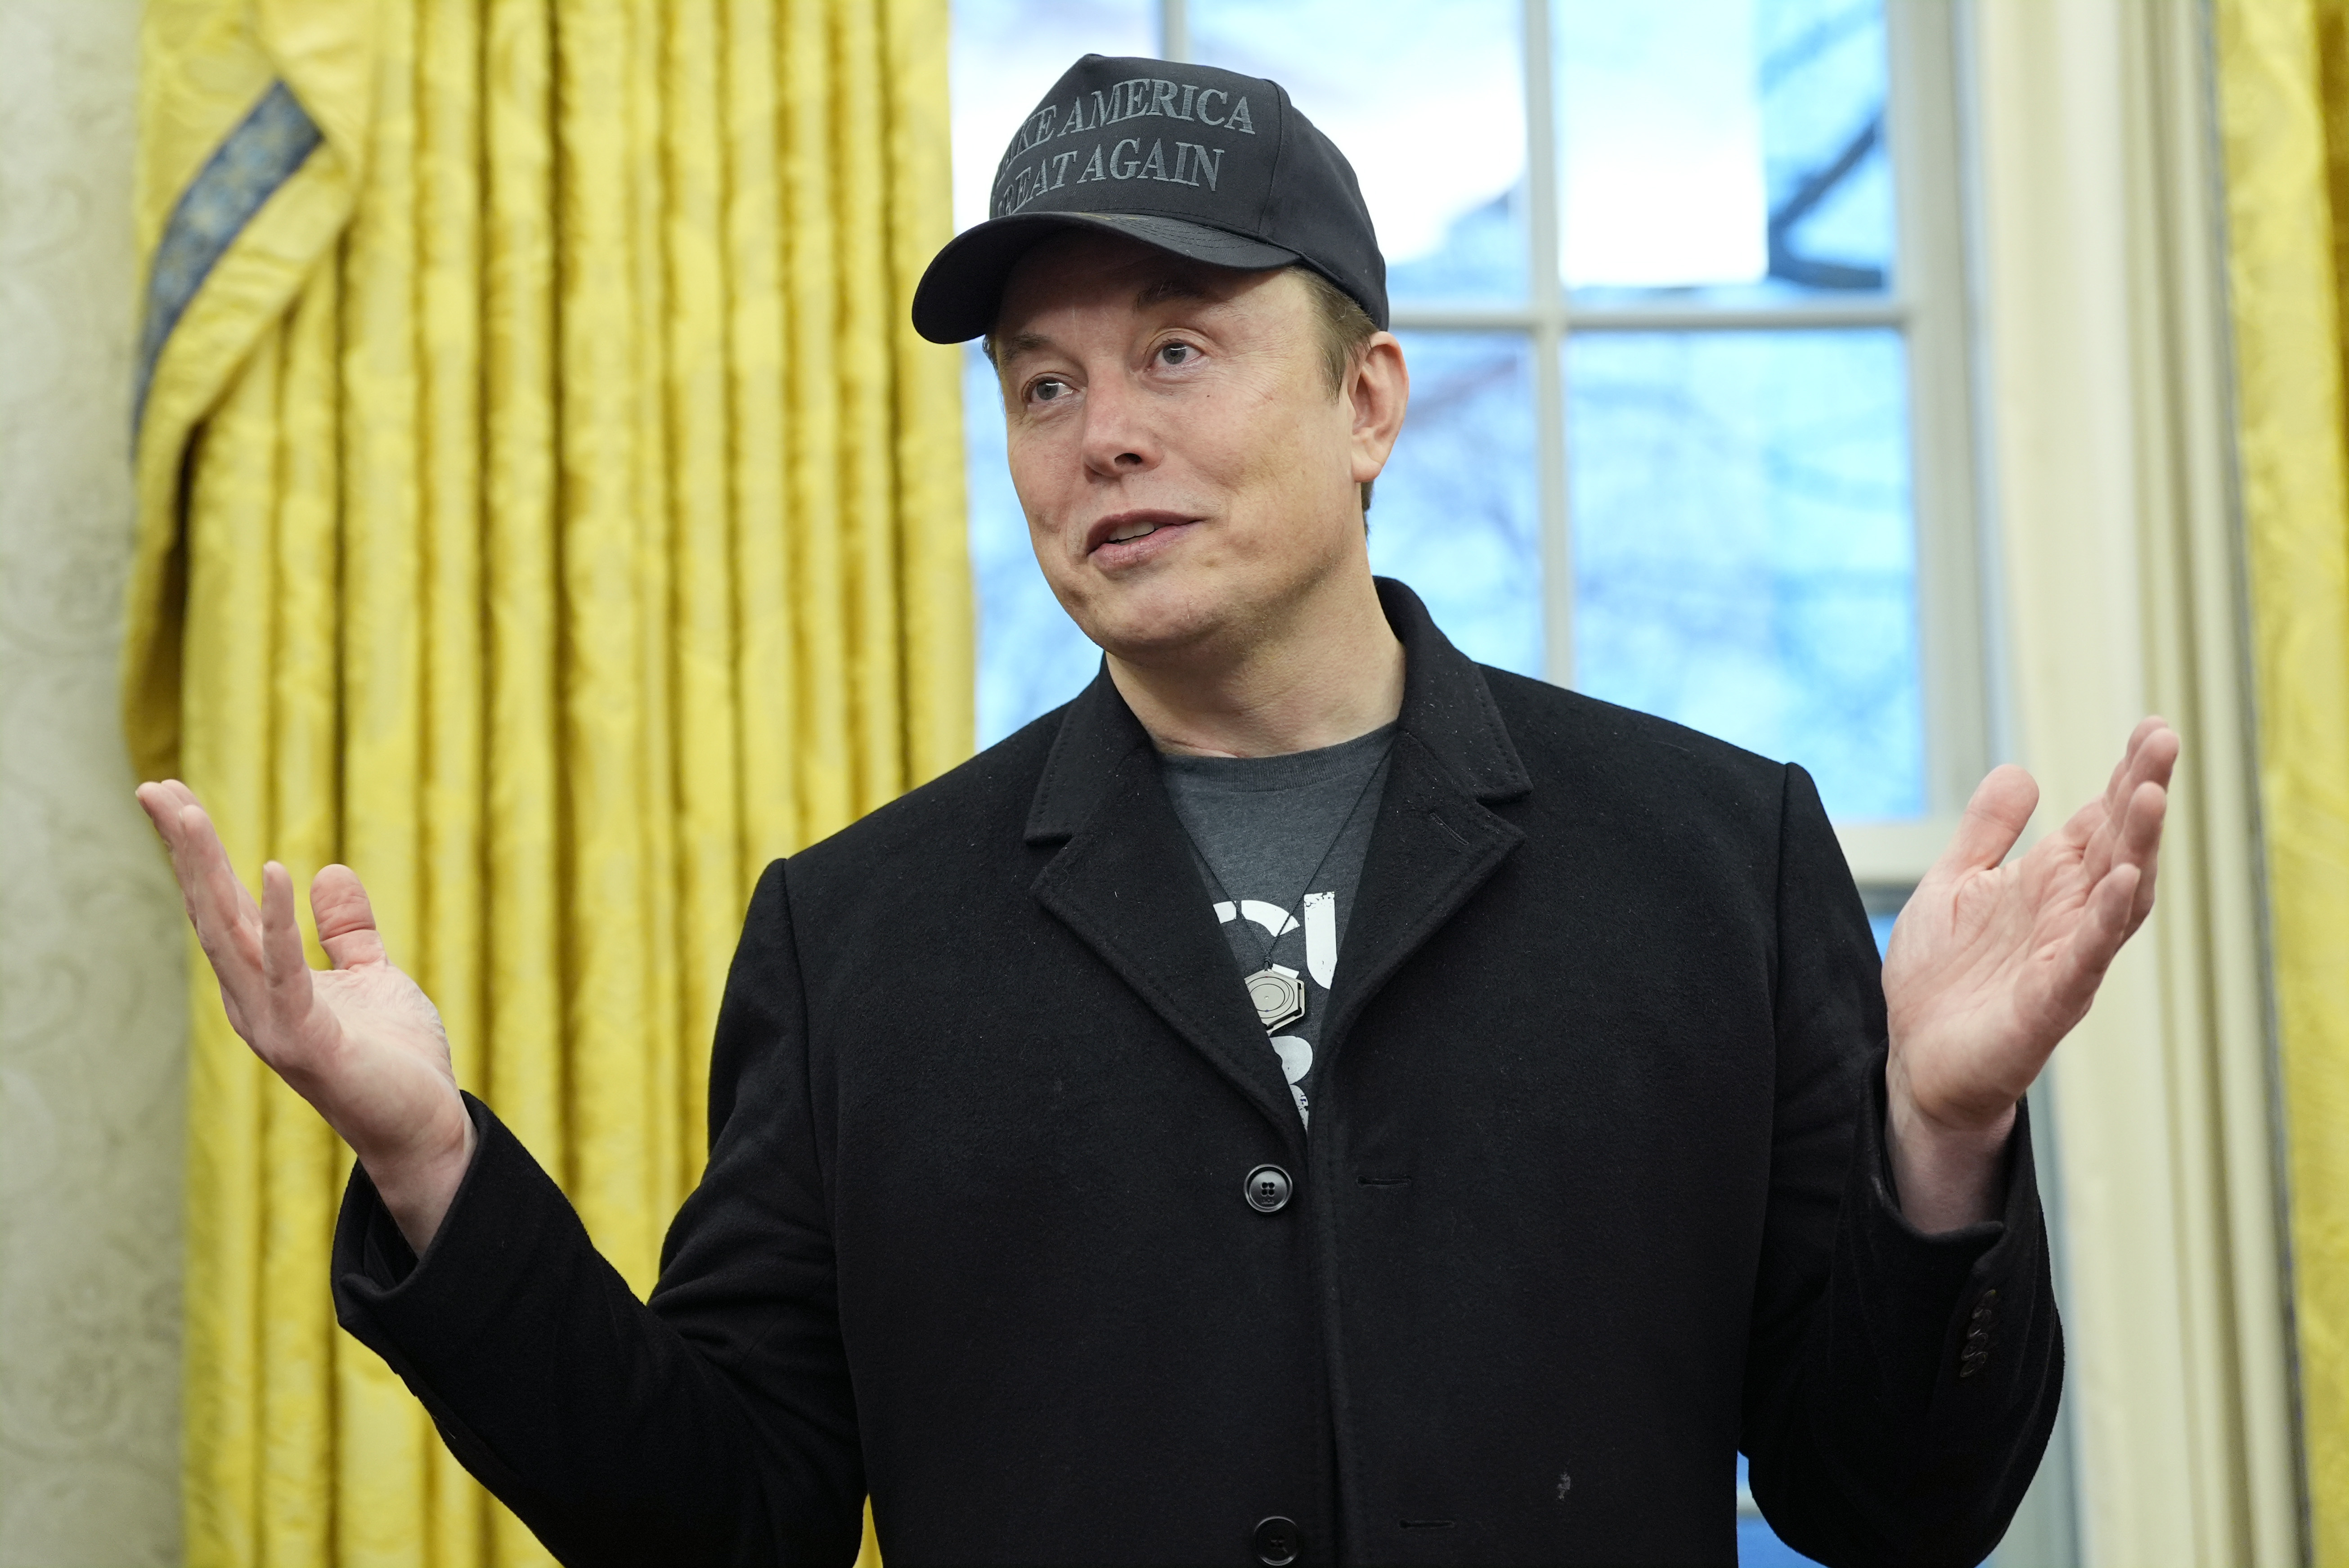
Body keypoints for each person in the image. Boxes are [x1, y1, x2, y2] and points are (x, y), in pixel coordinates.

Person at [139, 54, 2176, 1568]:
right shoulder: (855, 938)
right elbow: (728, 1518)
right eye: (1042, 384)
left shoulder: (1710, 857)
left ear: (1369, 401)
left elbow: (1889, 1500)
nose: (1101, 434)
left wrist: (1941, 1137)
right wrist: (436, 1170)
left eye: (1179, 351)